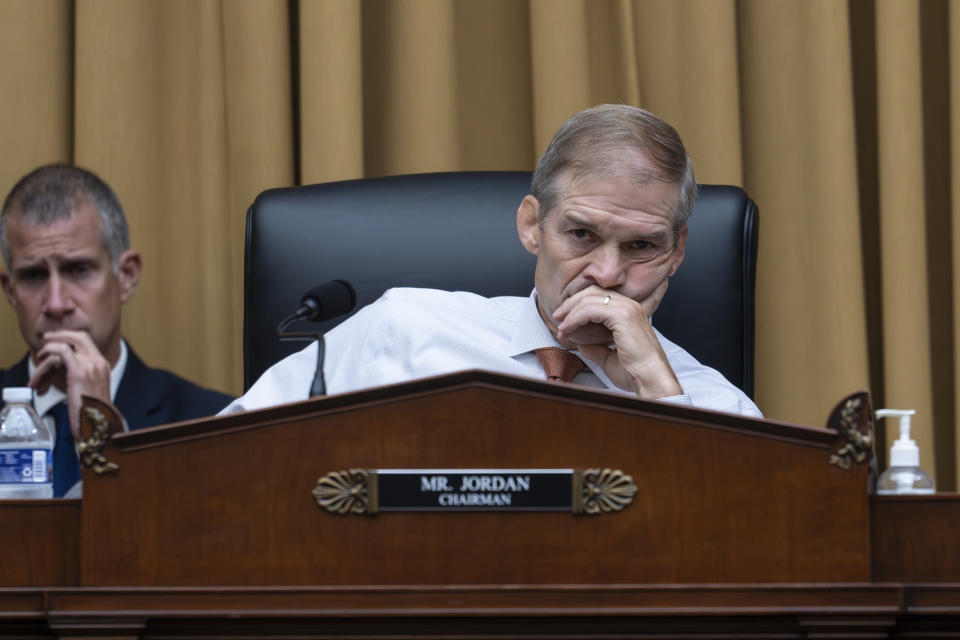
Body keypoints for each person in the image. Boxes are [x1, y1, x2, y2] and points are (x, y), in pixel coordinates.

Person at [223, 104, 761, 417]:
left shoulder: (711, 406)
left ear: (678, 253)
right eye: (581, 234)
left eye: (641, 246)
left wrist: (651, 386)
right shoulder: (405, 327)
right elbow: (224, 456)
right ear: (532, 225)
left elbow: (734, 547)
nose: (607, 273)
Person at [0, 164, 232, 497]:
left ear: (126, 276)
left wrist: (102, 430)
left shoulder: (207, 423)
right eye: (34, 276)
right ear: (10, 291)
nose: (55, 304)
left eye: (78, 270)